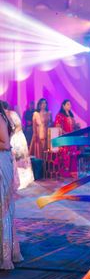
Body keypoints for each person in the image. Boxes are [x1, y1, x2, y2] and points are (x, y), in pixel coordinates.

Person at [0, 101, 23, 269]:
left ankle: (6, 256)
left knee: (4, 207)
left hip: (2, 162)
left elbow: (6, 144)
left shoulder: (0, 118)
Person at [3, 102, 34, 190]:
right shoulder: (5, 115)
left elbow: (19, 126)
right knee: (15, 160)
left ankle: (24, 180)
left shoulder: (12, 114)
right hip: (12, 137)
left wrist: (11, 134)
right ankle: (17, 180)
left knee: (20, 158)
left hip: (17, 137)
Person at [55, 99, 80, 177]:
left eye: (70, 104)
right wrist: (66, 133)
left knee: (73, 154)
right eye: (68, 104)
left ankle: (73, 172)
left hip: (72, 138)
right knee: (66, 155)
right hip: (65, 139)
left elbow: (73, 126)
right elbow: (58, 128)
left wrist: (77, 126)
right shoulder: (59, 116)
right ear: (63, 105)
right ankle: (65, 173)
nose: (70, 106)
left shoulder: (71, 115)